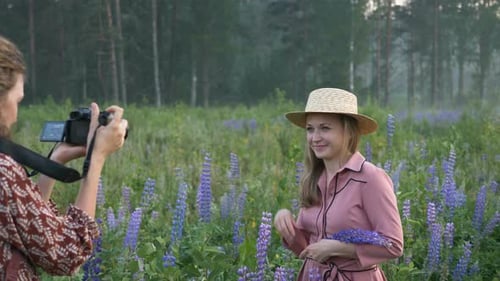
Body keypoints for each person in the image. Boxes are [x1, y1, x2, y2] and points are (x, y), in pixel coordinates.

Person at [0, 35, 128, 280]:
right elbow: (66, 254)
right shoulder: (3, 170)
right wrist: (97, 158)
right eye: (17, 100)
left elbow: (27, 224)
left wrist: (55, 161)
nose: (15, 115)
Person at [274, 88, 403, 280]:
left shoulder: (370, 178)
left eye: (325, 128)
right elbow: (307, 249)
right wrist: (286, 223)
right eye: (310, 129)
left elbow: (393, 245)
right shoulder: (314, 178)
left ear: (348, 131)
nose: (315, 137)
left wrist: (341, 249)